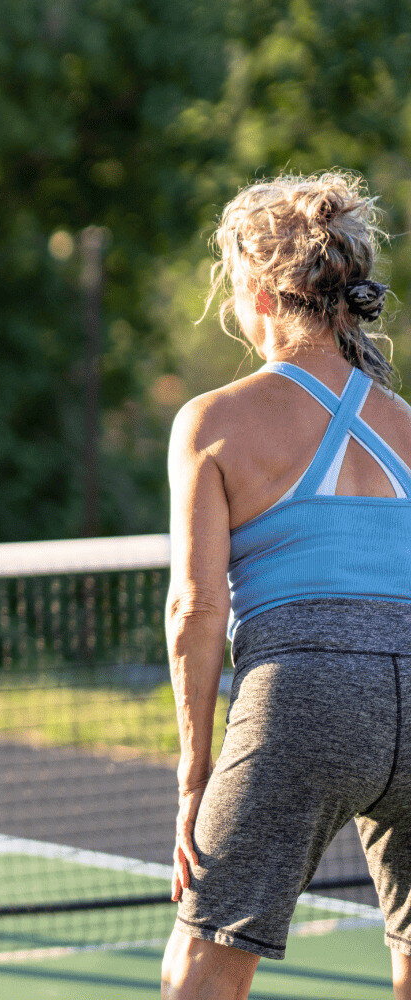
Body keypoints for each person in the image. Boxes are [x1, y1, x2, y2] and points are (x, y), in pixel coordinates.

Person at [163, 170, 411, 999]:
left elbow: (196, 608)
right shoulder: (408, 424)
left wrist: (196, 771)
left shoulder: (213, 420)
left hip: (304, 693)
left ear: (259, 290)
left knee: (199, 966)